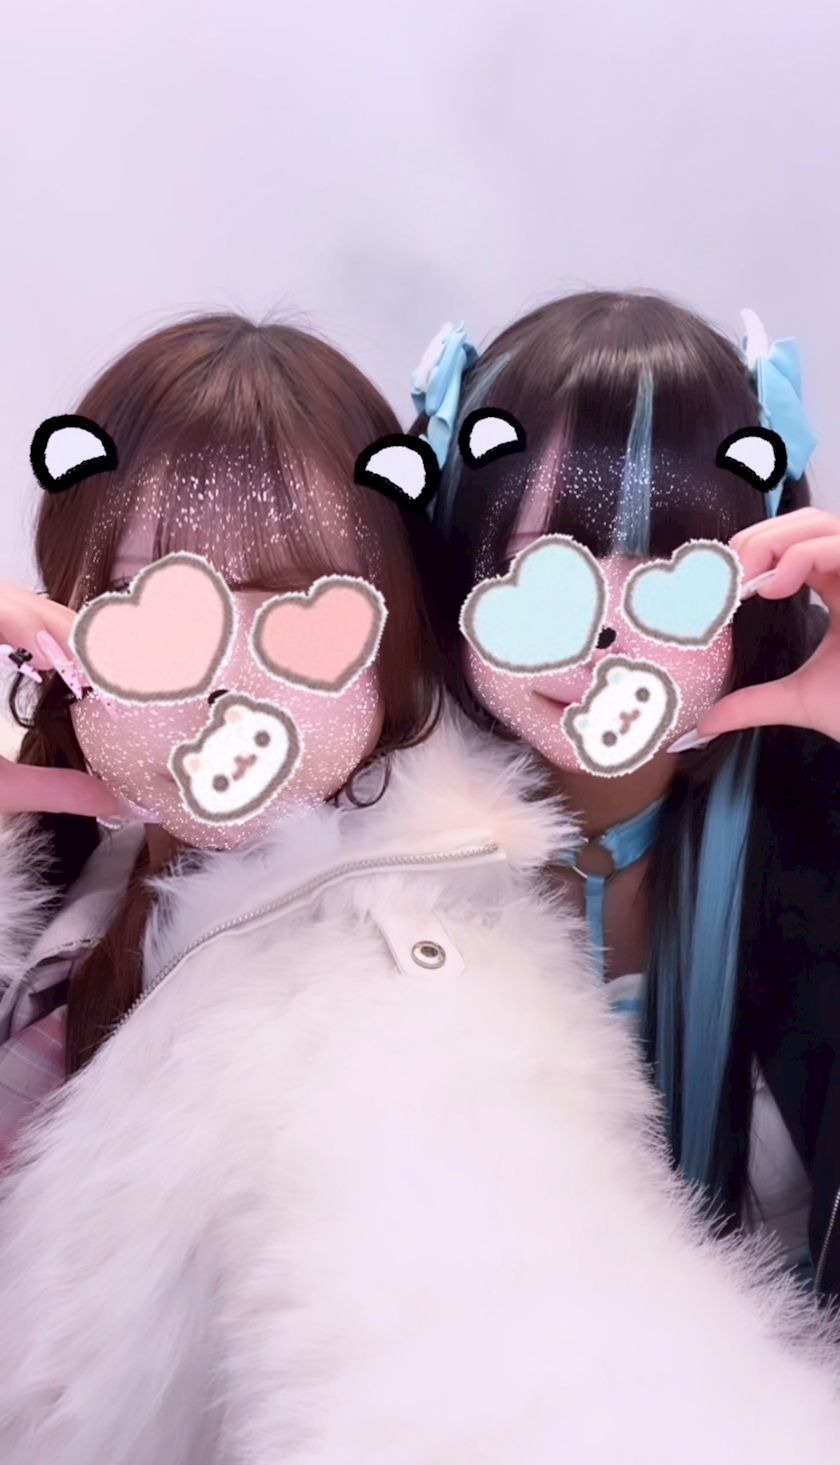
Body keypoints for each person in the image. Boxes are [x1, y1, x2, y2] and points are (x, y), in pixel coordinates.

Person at [2, 311, 840, 1465]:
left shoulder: (404, 974)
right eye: (157, 607)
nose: (605, 633)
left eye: (677, 583)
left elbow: (476, 1340)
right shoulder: (80, 879)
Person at [413, 291, 840, 1299]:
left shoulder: (815, 819)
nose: (602, 631)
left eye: (667, 571)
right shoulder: (355, 844)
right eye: (545, 566)